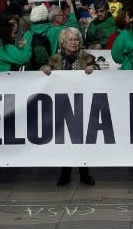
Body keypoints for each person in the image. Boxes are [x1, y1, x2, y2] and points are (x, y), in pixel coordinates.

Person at [40, 27, 99, 186]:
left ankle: (84, 173)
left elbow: (99, 69)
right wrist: (45, 70)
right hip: (62, 105)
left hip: (82, 104)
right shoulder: (54, 59)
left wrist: (93, 68)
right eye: (70, 40)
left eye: (76, 39)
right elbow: (43, 71)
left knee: (82, 139)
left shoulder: (87, 57)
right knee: (64, 139)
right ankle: (65, 173)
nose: (74, 42)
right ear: (63, 42)